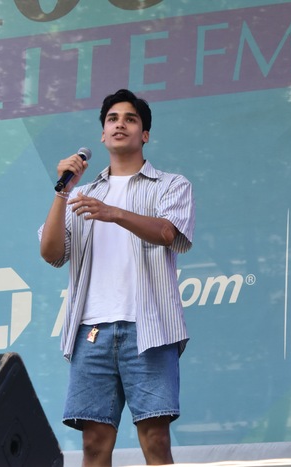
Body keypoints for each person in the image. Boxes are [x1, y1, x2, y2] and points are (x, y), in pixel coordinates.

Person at [39, 89, 195, 466]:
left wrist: (115, 213)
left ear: (145, 134)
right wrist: (63, 193)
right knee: (94, 444)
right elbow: (51, 253)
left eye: (130, 118)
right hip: (91, 331)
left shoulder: (171, 185)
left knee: (156, 439)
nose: (119, 124)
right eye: (112, 119)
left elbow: (168, 234)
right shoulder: (82, 194)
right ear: (102, 135)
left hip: (150, 328)